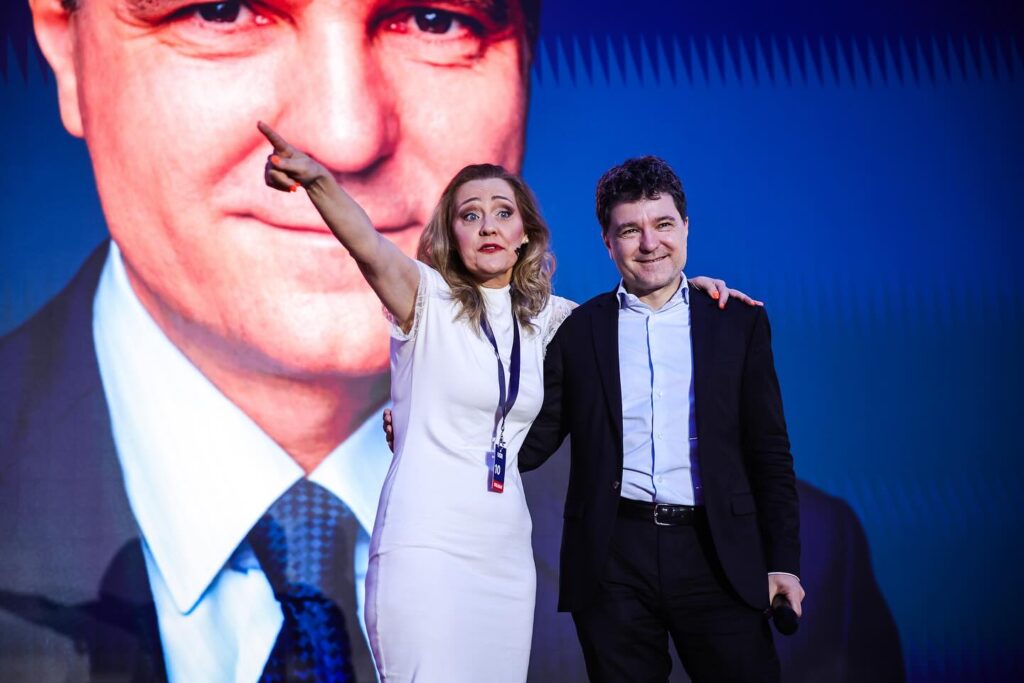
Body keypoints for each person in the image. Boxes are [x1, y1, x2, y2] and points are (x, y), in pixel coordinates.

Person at [0, 1, 904, 681]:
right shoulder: (421, 298)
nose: (348, 131)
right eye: (222, 9)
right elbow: (373, 254)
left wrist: (694, 293)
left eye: (435, 19)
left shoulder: (783, 563)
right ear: (61, 39)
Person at [518, 155, 802, 682]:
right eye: (630, 230)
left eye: (664, 224)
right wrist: (431, 427)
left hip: (718, 552)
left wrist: (783, 560)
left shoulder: (736, 322)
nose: (650, 243)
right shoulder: (579, 332)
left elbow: (769, 450)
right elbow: (532, 442)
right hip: (613, 559)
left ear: (686, 227)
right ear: (608, 242)